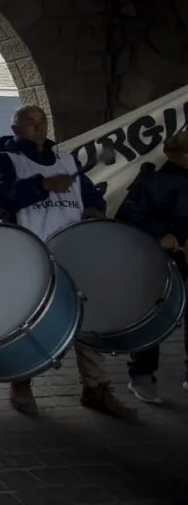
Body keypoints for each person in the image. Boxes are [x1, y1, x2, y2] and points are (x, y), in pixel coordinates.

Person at [0, 104, 135, 419]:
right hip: (32, 252)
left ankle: (96, 386)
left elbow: (88, 192)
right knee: (31, 321)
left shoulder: (66, 159)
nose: (38, 127)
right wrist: (42, 185)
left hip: (73, 249)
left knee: (86, 317)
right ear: (15, 129)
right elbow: (2, 196)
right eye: (30, 122)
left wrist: (94, 208)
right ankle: (21, 382)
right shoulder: (6, 160)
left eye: (42, 121)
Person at [116, 130, 188, 401]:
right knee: (153, 316)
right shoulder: (153, 179)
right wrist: (161, 234)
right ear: (174, 154)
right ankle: (142, 375)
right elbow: (128, 211)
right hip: (161, 257)